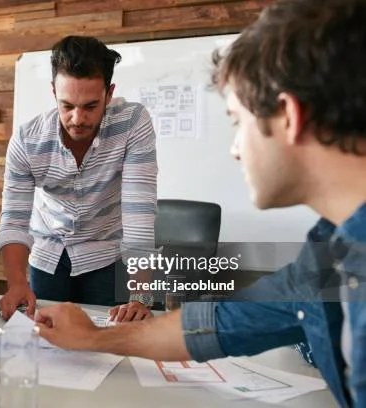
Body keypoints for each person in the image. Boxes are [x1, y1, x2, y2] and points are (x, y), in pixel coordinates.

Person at [35, 0, 366, 406]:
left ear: (288, 116)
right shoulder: (327, 258)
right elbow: (221, 324)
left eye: (236, 121)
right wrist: (94, 337)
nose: (235, 149)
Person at [0, 35, 158, 321]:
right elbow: (14, 220)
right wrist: (17, 283)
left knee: (108, 343)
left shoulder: (132, 123)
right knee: (45, 345)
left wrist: (141, 297)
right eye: (67, 105)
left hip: (105, 256)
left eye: (90, 106)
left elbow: (139, 213)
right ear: (53, 92)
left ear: (109, 93)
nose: (77, 118)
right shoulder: (27, 140)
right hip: (47, 257)